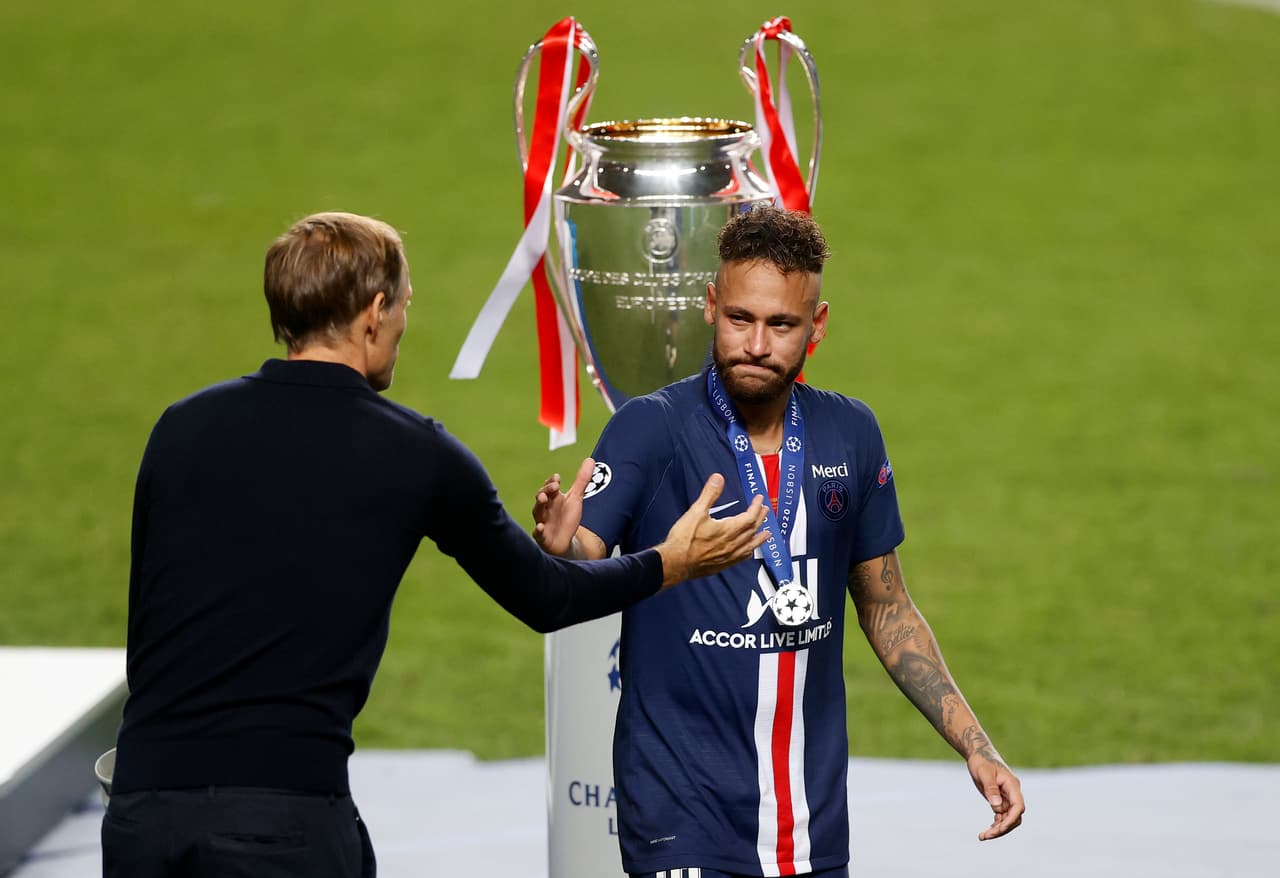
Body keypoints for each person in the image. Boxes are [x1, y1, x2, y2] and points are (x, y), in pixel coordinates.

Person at [101, 211, 768, 878]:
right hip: (280, 820)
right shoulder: (414, 453)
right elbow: (543, 596)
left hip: (140, 813)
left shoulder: (179, 429)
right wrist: (666, 564)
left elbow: (149, 627)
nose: (402, 328)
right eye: (404, 307)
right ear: (373, 311)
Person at [534, 205, 1025, 878]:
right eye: (740, 319)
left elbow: (887, 608)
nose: (756, 345)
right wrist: (561, 548)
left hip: (812, 827)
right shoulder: (652, 430)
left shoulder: (850, 435)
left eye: (781, 324)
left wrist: (976, 745)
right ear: (710, 305)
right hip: (682, 815)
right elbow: (582, 560)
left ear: (815, 326)